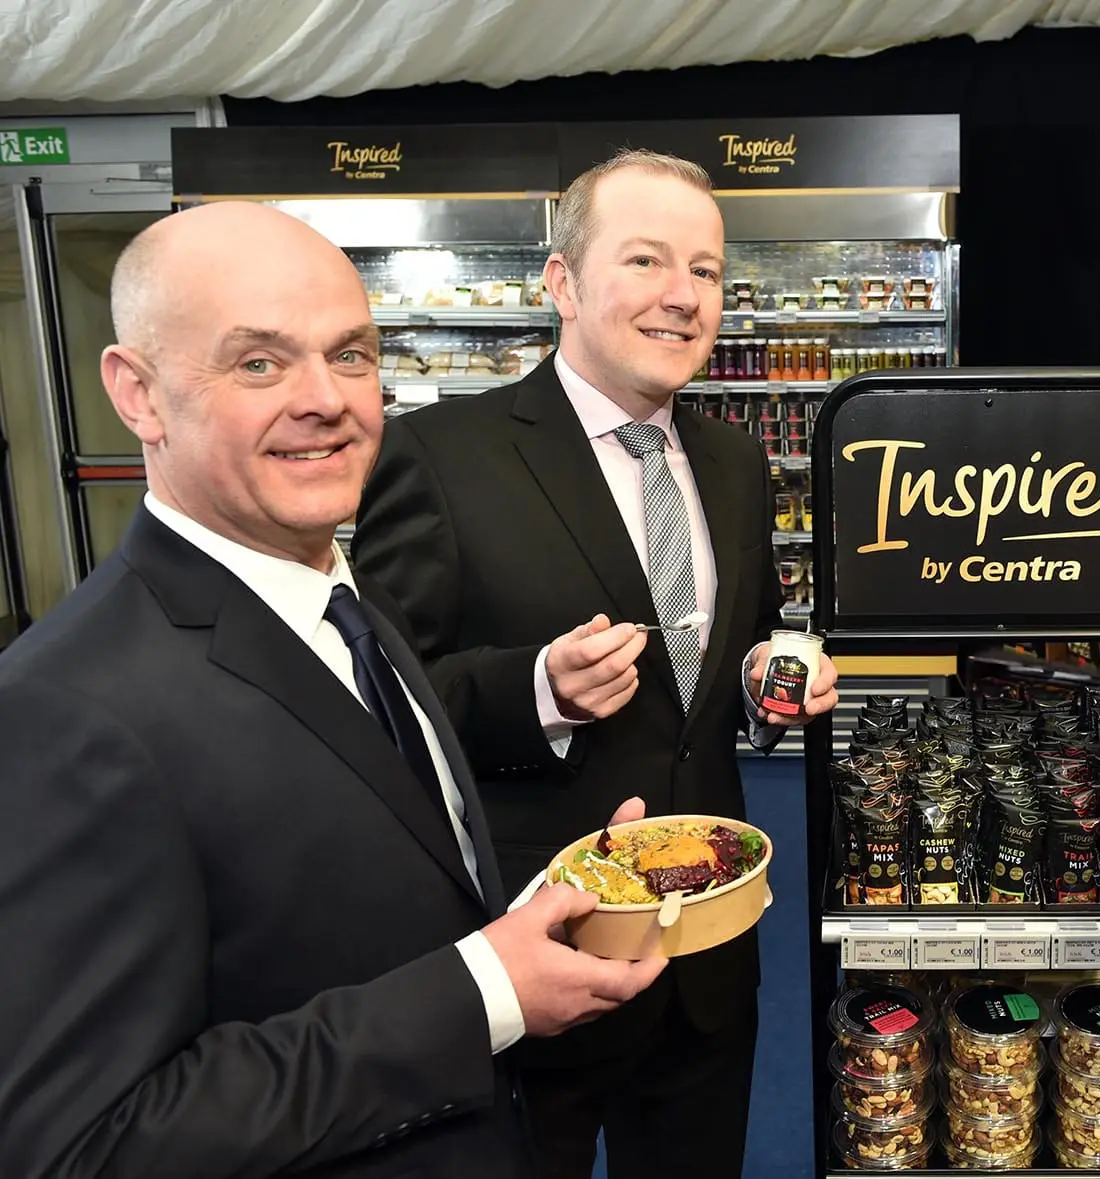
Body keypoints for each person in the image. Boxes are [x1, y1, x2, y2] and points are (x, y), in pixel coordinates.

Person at [0, 202, 668, 1179]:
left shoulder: (345, 597)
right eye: (258, 363)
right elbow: (83, 1143)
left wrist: (528, 918)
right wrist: (484, 989)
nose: (325, 399)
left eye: (350, 354)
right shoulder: (61, 711)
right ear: (137, 394)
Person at [352, 149, 839, 1179]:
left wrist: (763, 683)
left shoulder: (735, 460)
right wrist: (537, 689)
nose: (682, 295)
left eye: (705, 270)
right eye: (646, 260)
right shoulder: (439, 454)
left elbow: (735, 649)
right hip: (542, 946)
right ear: (562, 283)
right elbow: (382, 703)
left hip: (708, 951)